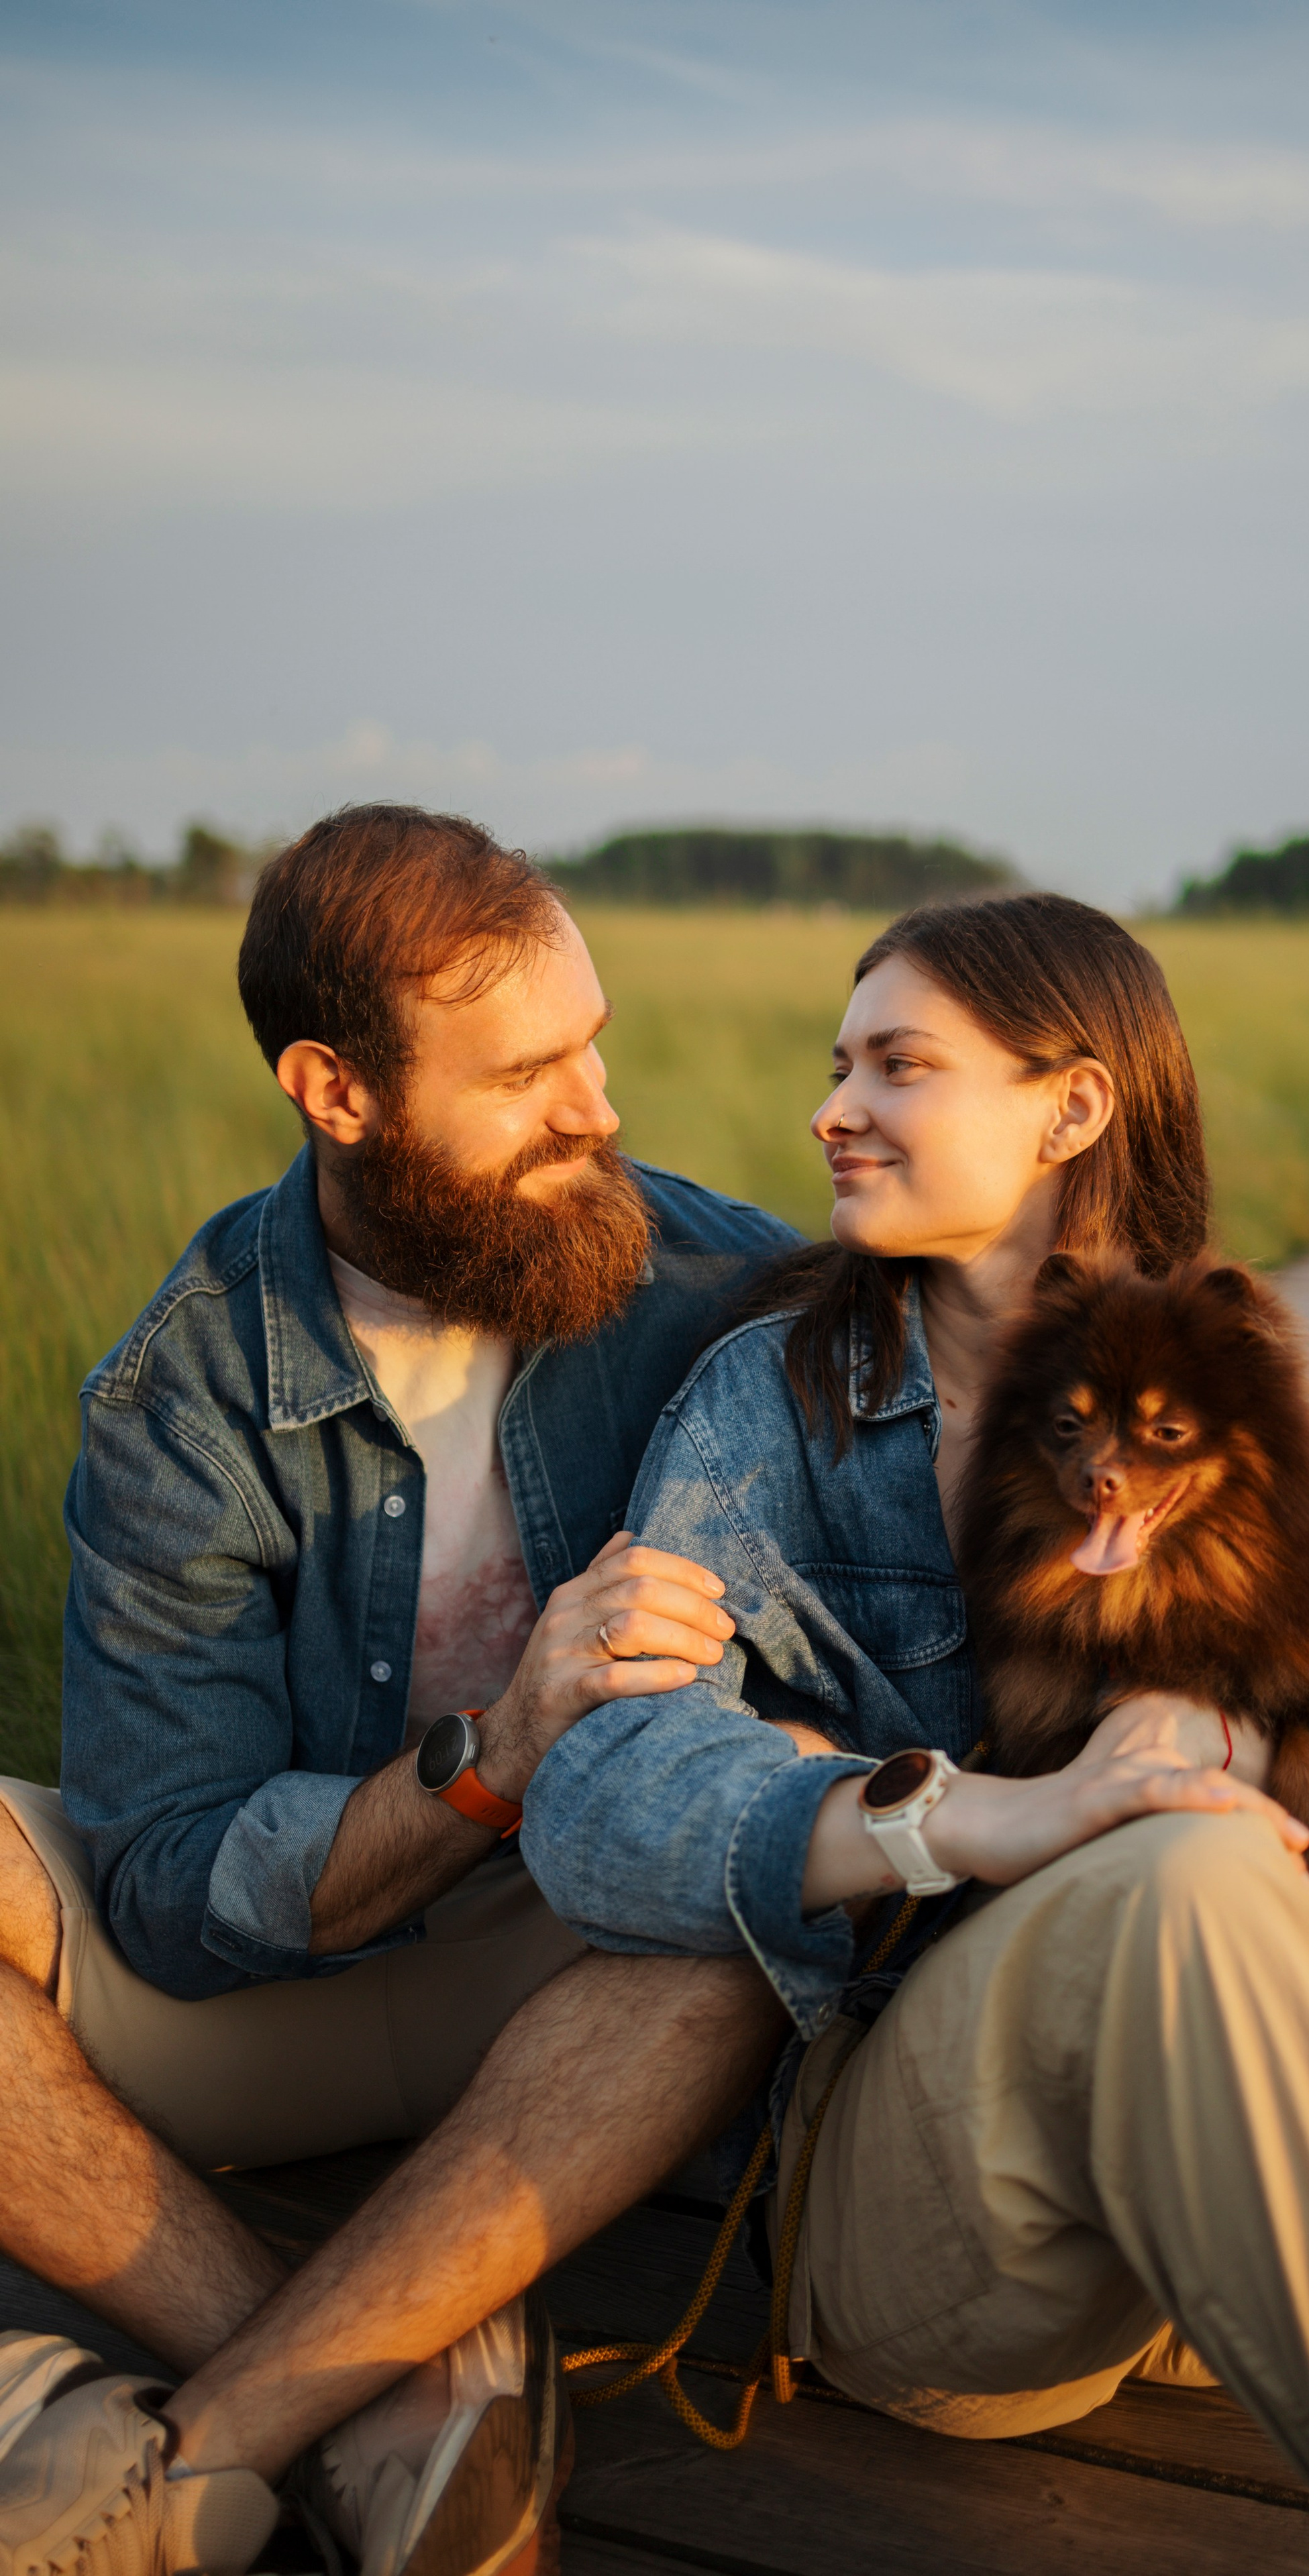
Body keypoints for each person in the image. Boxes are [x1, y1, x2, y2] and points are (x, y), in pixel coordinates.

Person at [521, 892, 1309, 2576]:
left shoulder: (1230, 1382)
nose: (832, 1108)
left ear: (1071, 1108)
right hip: (962, 2221)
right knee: (1174, 1882)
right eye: (836, 1062)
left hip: (1267, 2177)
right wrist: (964, 1817)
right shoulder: (771, 1401)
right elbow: (599, 1802)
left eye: (896, 1064)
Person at [0, 806, 795, 2576]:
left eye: (594, 1041)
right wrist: (498, 1749)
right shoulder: (182, 1391)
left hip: (585, 1997)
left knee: (734, 1916)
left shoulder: (704, 1276)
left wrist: (1296, 1438)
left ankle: (210, 2446)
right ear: (336, 1092)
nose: (597, 1108)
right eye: (527, 1074)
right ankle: (376, 2399)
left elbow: (1014, 1362)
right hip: (274, 1987)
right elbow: (168, 1893)